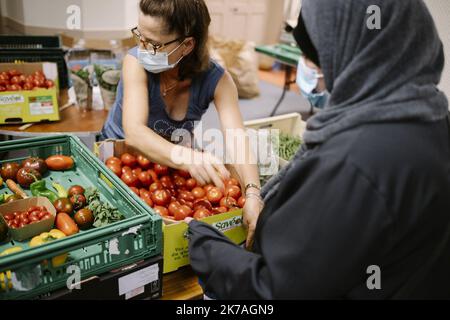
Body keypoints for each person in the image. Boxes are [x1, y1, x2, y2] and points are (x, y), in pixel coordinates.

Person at [185, 0, 450, 299]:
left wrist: (206, 247)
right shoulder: (431, 114)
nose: (307, 69)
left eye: (315, 58)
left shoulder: (354, 161)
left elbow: (277, 289)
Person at [101, 0, 262, 246]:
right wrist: (187, 157)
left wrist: (252, 193)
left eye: (153, 44)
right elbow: (133, 132)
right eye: (139, 36)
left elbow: (238, 138)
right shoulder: (135, 63)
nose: (142, 48)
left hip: (167, 164)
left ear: (187, 45)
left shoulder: (219, 81)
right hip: (121, 157)